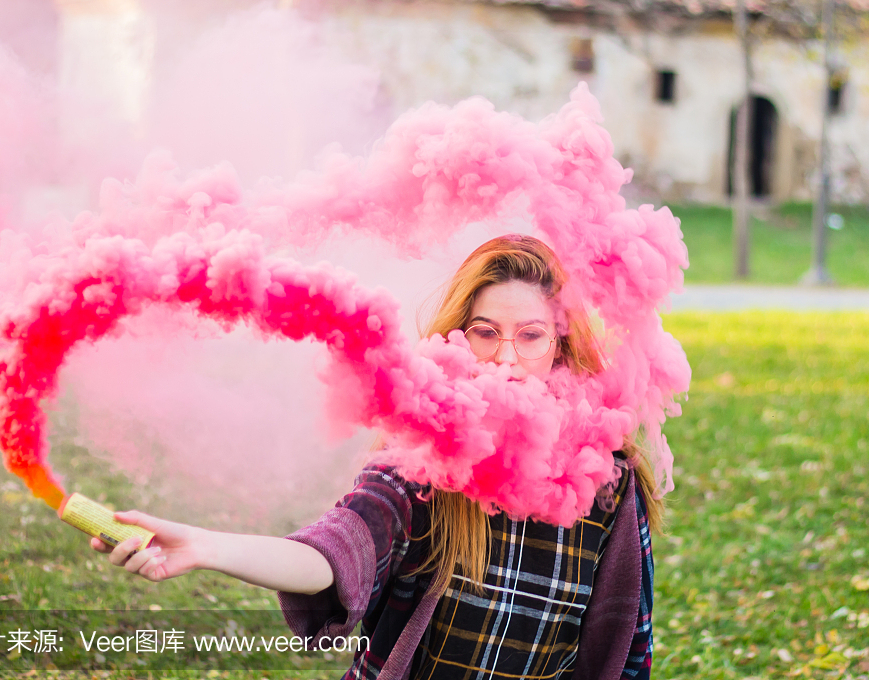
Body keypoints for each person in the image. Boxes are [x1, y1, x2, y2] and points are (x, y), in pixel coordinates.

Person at [95, 235, 660, 679]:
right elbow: (337, 547)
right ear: (457, 339)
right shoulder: (424, 452)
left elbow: (628, 643)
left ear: (561, 343)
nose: (505, 358)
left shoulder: (606, 476)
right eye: (485, 333)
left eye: (531, 336)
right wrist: (207, 547)